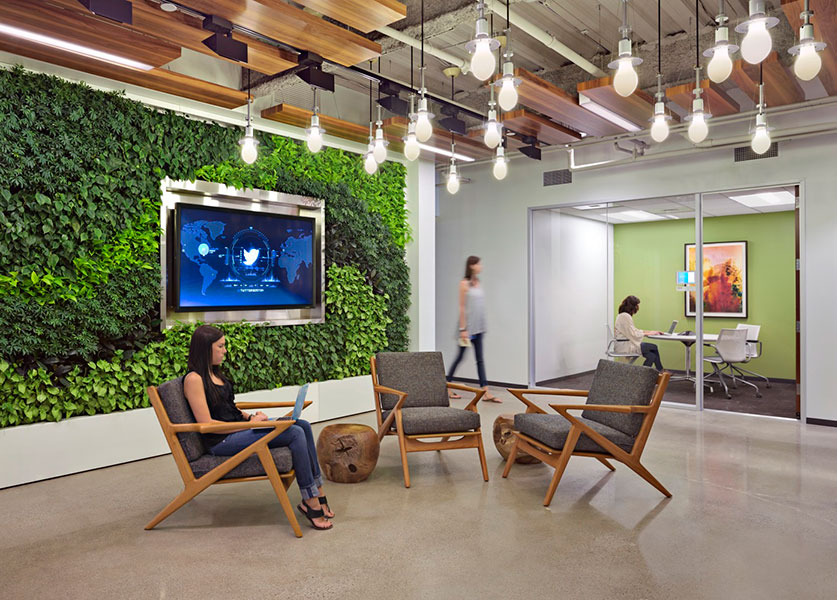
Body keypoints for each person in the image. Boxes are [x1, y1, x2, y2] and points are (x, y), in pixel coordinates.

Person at [183, 325, 333, 531]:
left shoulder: (215, 374)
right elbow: (206, 424)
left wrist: (252, 417)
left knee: (303, 425)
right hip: (221, 441)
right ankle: (311, 502)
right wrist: (248, 425)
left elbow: (229, 409)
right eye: (220, 346)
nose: (225, 351)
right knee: (294, 433)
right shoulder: (194, 379)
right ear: (205, 348)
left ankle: (318, 490)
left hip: (239, 429)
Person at [446, 256, 500, 402]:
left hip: (479, 328)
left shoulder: (478, 283)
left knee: (480, 360)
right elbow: (462, 307)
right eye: (478, 264)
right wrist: (463, 329)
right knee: (459, 358)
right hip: (467, 330)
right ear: (471, 266)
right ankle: (447, 386)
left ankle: (486, 392)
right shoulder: (464, 284)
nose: (481, 266)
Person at [614, 295, 665, 371]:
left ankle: (647, 374)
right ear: (632, 306)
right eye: (637, 305)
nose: (638, 307)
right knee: (654, 347)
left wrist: (650, 332)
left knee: (651, 356)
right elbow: (633, 334)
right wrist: (647, 333)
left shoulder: (622, 315)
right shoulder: (625, 316)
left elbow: (633, 331)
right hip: (626, 346)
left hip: (626, 344)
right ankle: (660, 371)